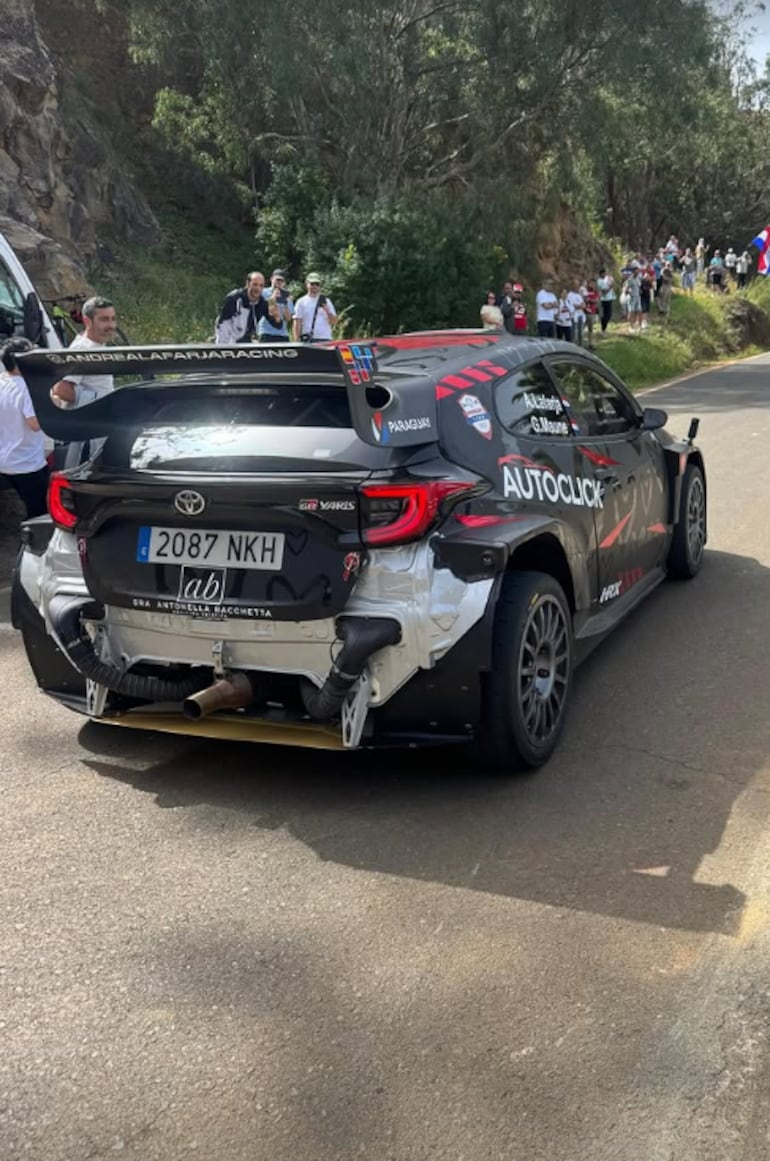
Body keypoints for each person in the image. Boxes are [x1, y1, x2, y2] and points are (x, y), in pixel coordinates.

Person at [0, 338, 49, 518]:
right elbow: (34, 424)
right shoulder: (26, 388)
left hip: (4, 461)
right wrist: (53, 407)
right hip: (27, 463)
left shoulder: (2, 381)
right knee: (40, 514)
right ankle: (36, 544)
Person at [50, 295, 117, 408]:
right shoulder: (83, 349)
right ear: (87, 321)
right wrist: (101, 402)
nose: (111, 325)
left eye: (113, 319)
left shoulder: (96, 345)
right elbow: (61, 389)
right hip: (91, 419)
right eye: (104, 319)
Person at [215, 271, 268, 344]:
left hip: (245, 338)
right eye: (255, 285)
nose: (258, 288)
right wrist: (224, 346)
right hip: (228, 338)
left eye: (261, 286)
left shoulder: (262, 303)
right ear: (248, 284)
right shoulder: (233, 299)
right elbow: (223, 324)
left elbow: (276, 323)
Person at [293, 273, 338, 342]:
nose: (314, 286)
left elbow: (334, 322)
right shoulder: (301, 302)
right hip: (308, 339)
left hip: (325, 339)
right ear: (307, 284)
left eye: (317, 284)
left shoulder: (326, 300)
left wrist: (327, 310)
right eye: (312, 284)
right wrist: (296, 341)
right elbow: (297, 322)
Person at [258, 269, 294, 342]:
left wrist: (285, 304)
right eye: (277, 280)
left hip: (283, 334)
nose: (279, 282)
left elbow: (288, 319)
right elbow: (268, 311)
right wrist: (274, 296)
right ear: (271, 279)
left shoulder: (286, 295)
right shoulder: (263, 292)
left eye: (281, 281)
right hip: (267, 332)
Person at [566, 279, 585, 346]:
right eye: (575, 285)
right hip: (574, 317)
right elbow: (571, 305)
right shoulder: (569, 295)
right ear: (572, 286)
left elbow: (583, 305)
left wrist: (579, 306)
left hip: (581, 316)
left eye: (577, 285)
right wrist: (579, 306)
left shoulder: (579, 295)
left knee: (581, 334)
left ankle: (581, 347)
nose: (576, 286)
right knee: (574, 334)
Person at [583, 279, 600, 349]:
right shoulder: (585, 291)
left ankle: (590, 343)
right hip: (583, 312)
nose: (592, 285)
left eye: (593, 284)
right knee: (581, 328)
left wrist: (589, 300)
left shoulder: (596, 292)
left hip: (592, 312)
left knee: (591, 329)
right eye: (591, 283)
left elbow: (596, 300)